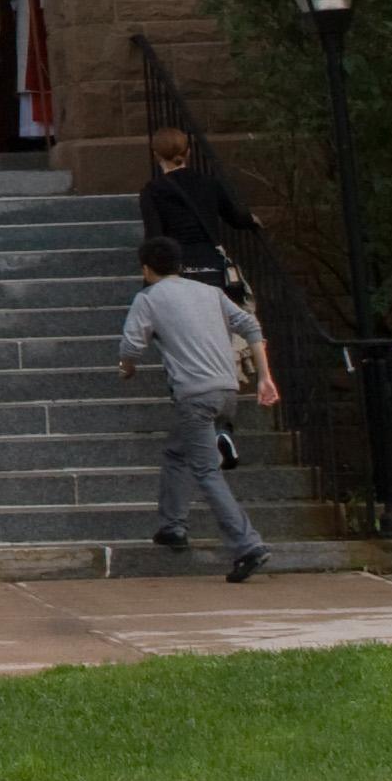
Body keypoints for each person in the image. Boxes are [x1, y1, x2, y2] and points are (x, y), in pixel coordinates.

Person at [119, 236, 279, 583]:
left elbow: (131, 345)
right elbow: (250, 326)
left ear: (146, 269)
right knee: (177, 452)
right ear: (179, 265)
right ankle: (172, 526)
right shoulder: (210, 292)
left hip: (194, 396)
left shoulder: (148, 298)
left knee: (206, 471)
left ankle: (248, 545)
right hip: (226, 391)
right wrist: (264, 377)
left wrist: (127, 368)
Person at [140, 128, 262, 293]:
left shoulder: (152, 190)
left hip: (178, 268)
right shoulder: (209, 183)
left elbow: (154, 235)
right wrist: (251, 219)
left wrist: (150, 271)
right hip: (211, 264)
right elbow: (234, 217)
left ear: (156, 155)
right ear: (188, 152)